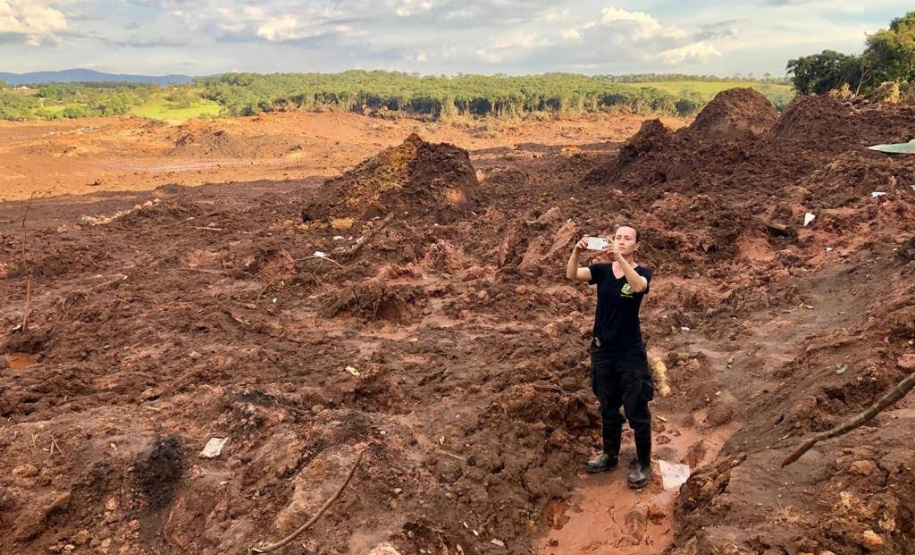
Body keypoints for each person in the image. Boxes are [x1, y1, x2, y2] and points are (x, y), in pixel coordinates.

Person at [566, 225, 654, 488]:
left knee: (637, 407)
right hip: (602, 350)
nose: (621, 241)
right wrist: (576, 252)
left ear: (636, 245)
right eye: (617, 238)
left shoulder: (641, 272)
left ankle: (644, 464)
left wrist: (620, 259)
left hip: (630, 353)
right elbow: (571, 275)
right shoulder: (601, 271)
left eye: (627, 239)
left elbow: (638, 287)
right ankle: (609, 455)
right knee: (607, 405)